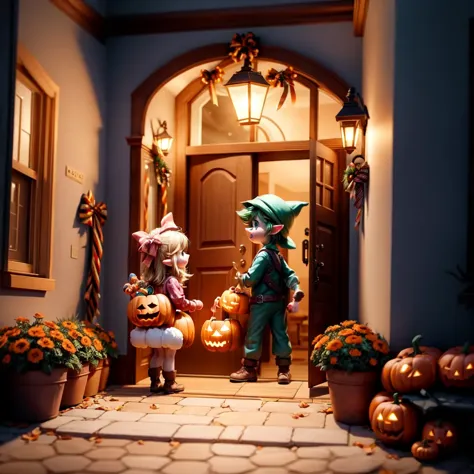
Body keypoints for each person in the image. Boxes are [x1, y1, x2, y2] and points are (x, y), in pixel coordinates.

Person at [230, 194, 308, 384]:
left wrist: (241, 279)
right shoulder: (279, 256)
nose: (251, 229)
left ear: (275, 229)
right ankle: (284, 370)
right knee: (281, 334)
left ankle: (249, 368)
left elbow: (252, 278)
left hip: (262, 304)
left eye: (256, 224)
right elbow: (290, 275)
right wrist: (295, 287)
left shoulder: (263, 255)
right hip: (278, 304)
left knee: (254, 334)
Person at [131, 212, 203, 393]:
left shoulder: (150, 283)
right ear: (168, 259)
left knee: (156, 353)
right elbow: (179, 302)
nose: (186, 256)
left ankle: (154, 382)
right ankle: (170, 383)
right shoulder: (171, 282)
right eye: (182, 253)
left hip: (152, 328)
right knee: (169, 354)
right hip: (168, 327)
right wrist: (194, 304)